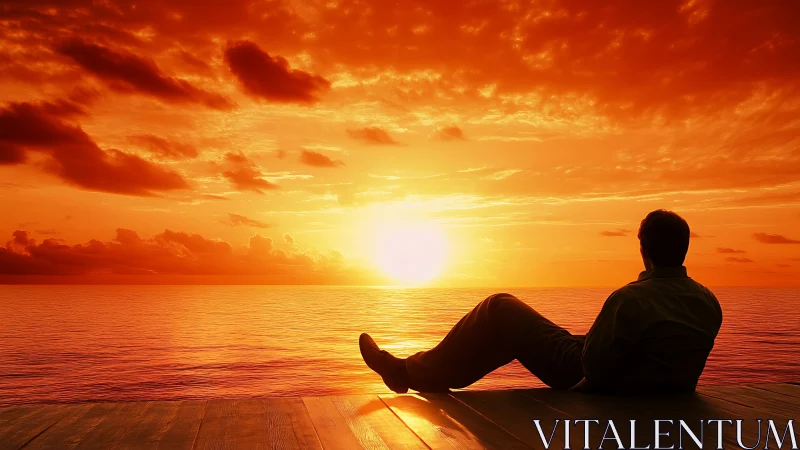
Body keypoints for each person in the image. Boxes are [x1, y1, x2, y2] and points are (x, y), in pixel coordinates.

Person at [359, 209, 723, 395]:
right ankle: (432, 373)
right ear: (683, 248)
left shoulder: (630, 299)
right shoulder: (708, 302)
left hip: (592, 381)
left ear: (643, 248)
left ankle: (408, 372)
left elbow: (593, 371)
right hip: (651, 386)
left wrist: (575, 400)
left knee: (499, 308)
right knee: (547, 335)